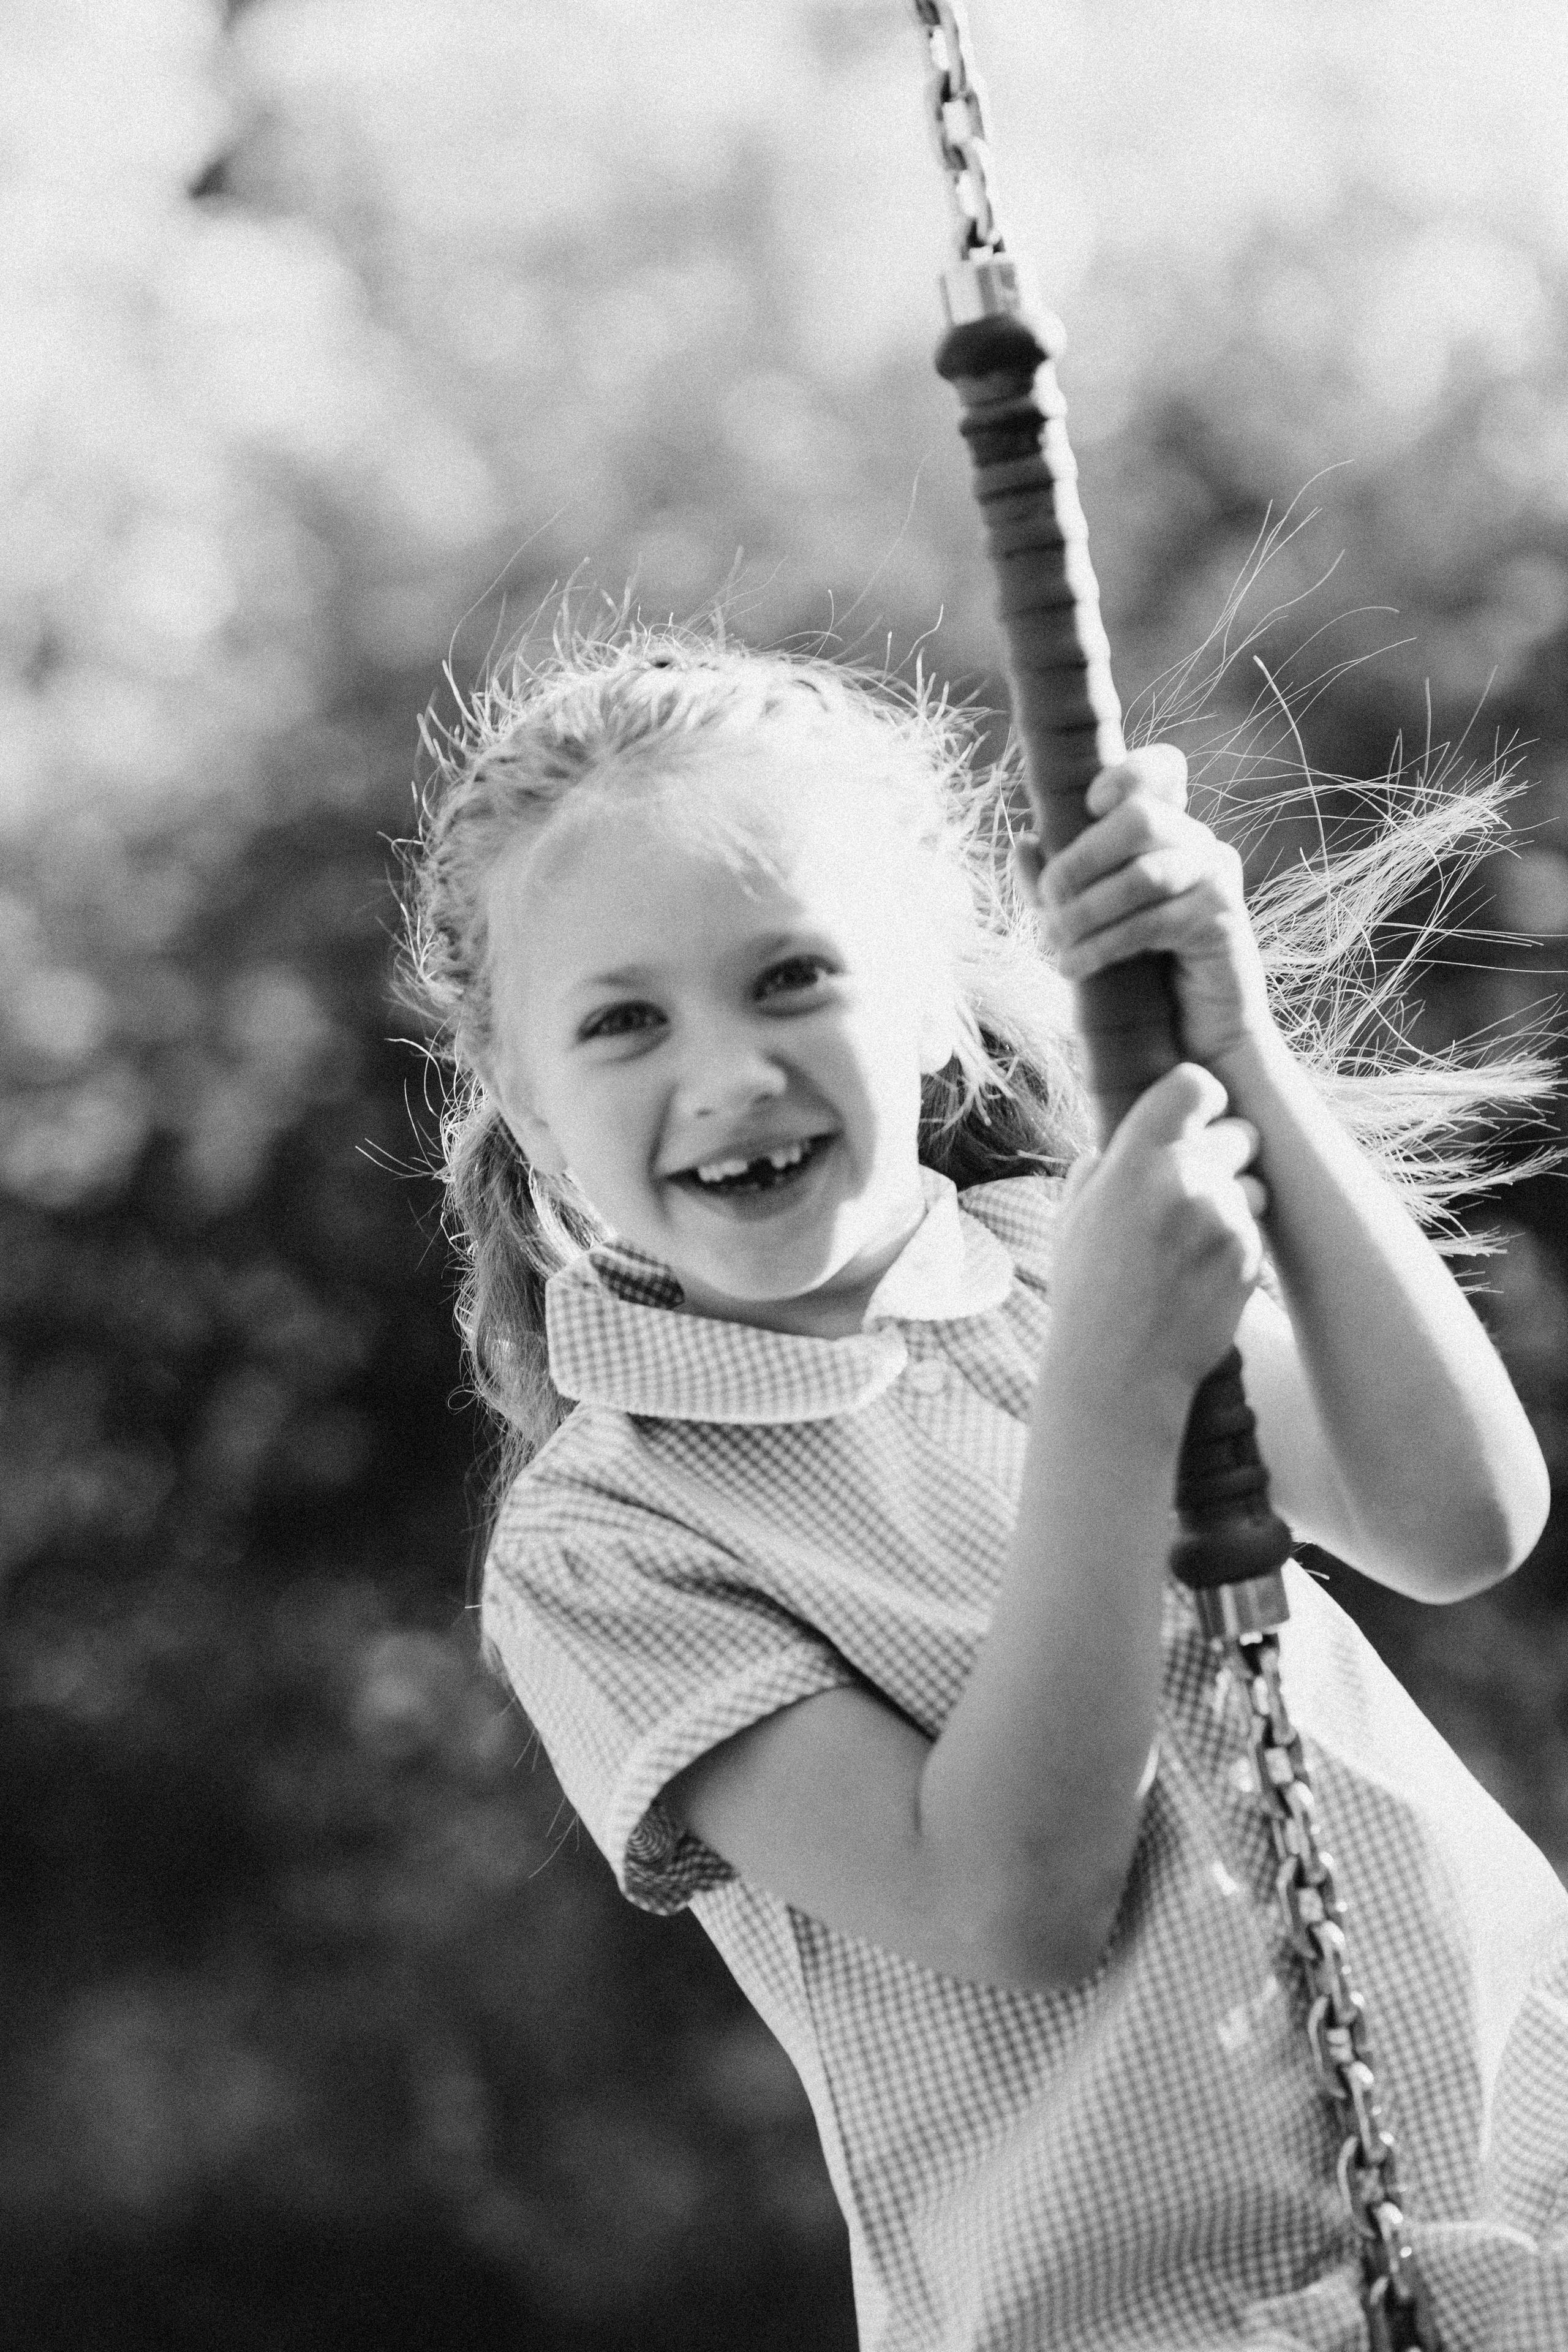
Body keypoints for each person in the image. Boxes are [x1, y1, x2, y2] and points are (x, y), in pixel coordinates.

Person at [402, 620, 1568, 2351]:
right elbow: (1007, 1901)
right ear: (527, 1100)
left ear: (940, 994)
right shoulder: (612, 1541)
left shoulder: (1063, 1256)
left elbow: (1459, 1519)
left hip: (1522, 2194)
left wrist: (1233, 1046)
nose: (726, 1073)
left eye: (793, 976)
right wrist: (1110, 1391)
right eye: (625, 1022)